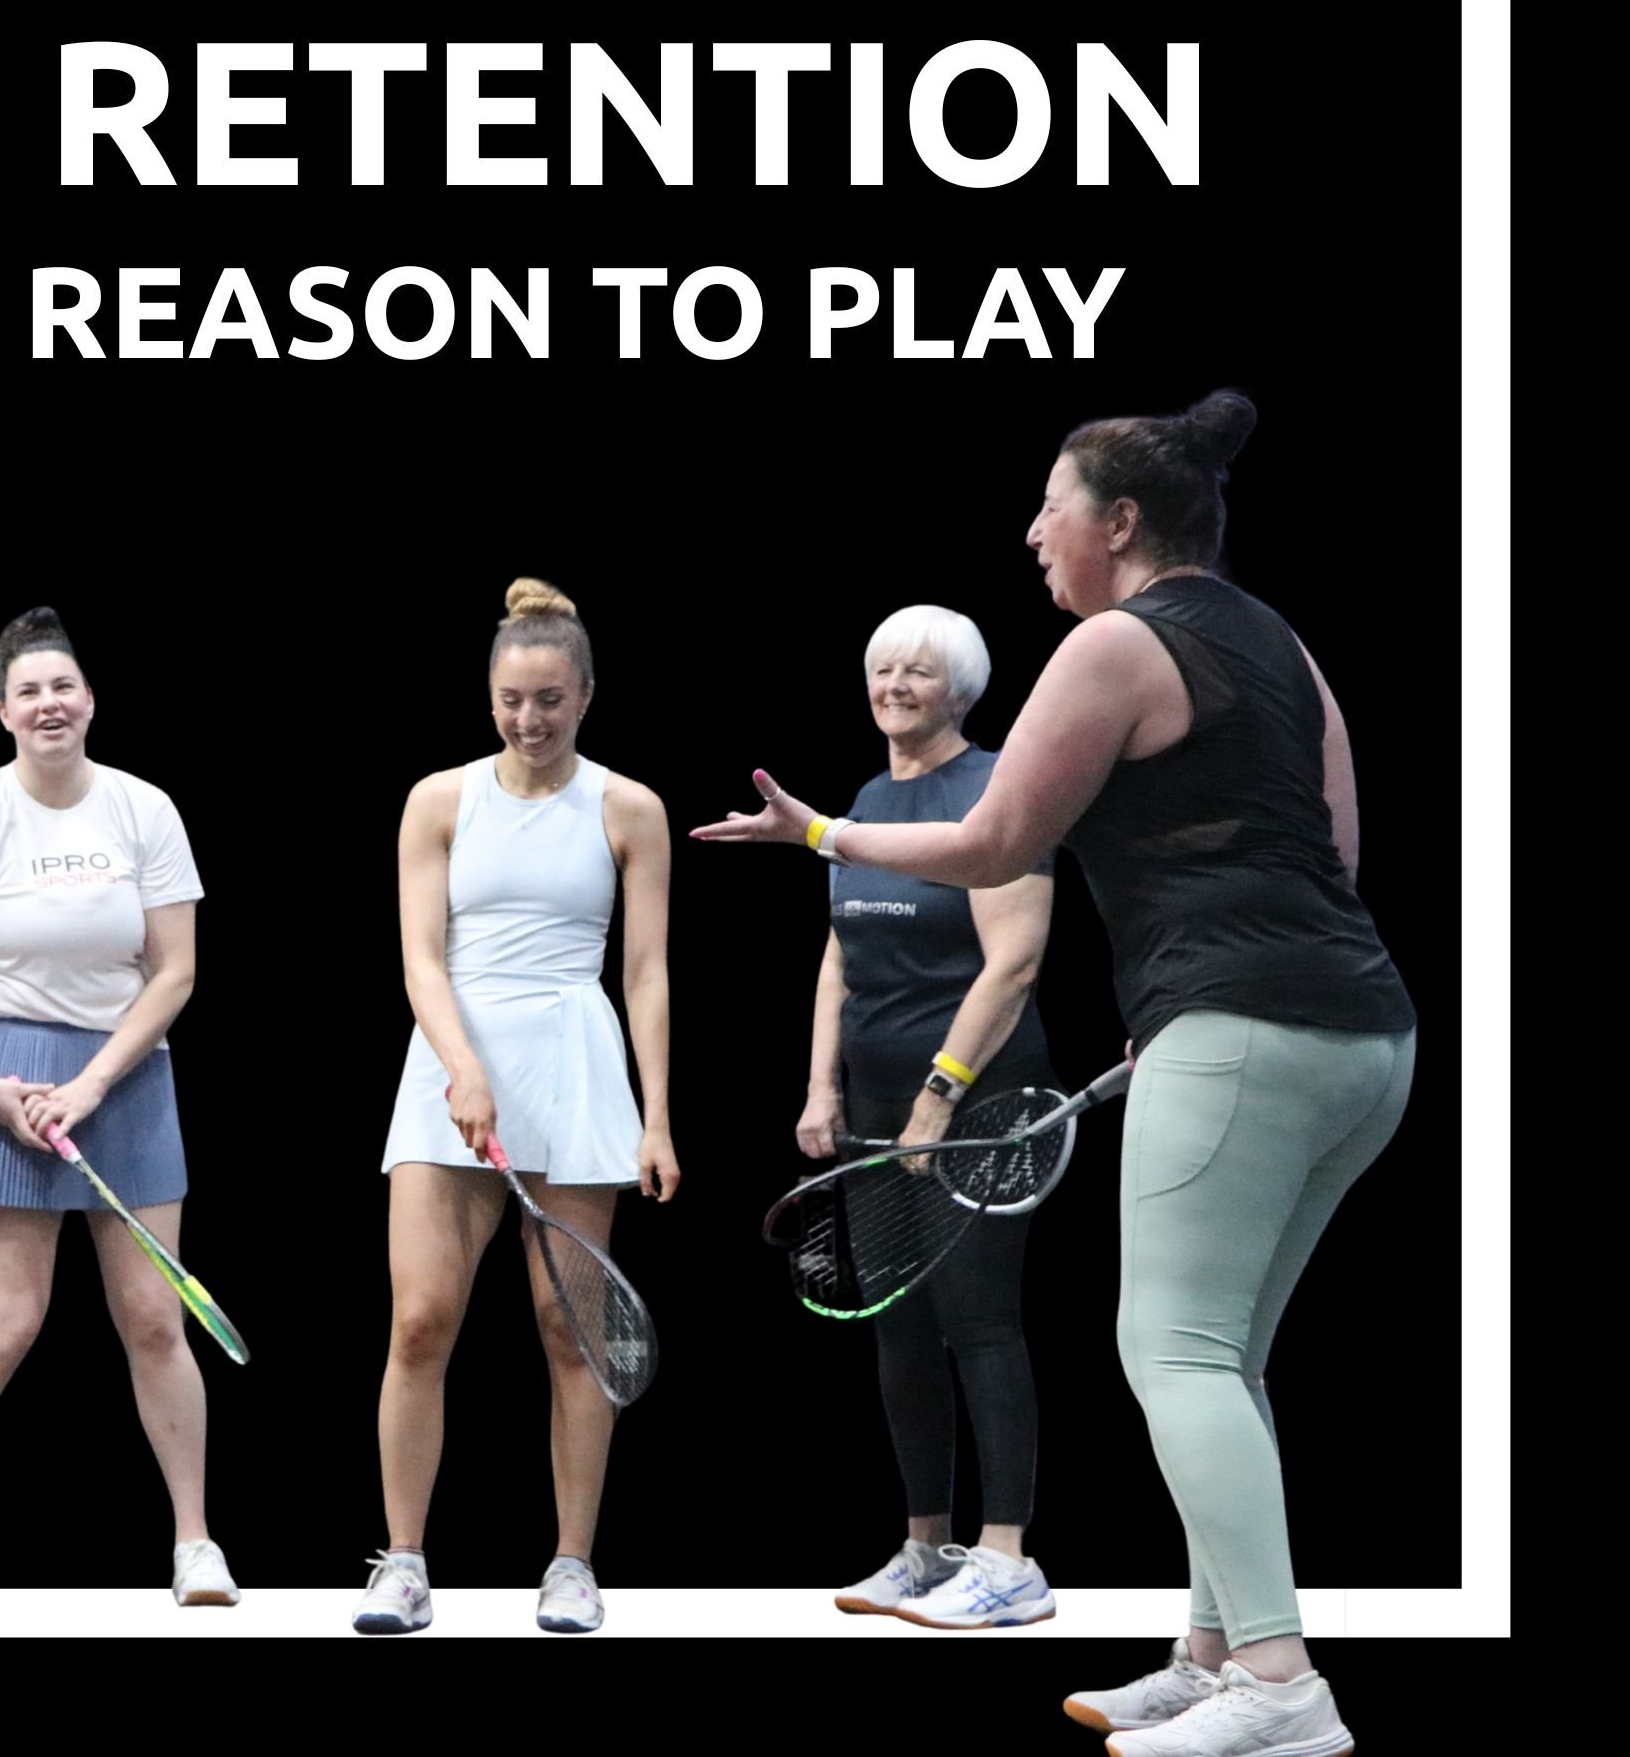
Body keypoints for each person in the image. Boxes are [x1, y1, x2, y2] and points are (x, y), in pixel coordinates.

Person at [694, 394, 1413, 1757]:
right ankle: (1211, 1655)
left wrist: (820, 834)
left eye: (1051, 506)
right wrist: (1199, 1002)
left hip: (1244, 1030)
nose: (1034, 533)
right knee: (1228, 1358)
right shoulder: (1285, 644)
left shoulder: (1115, 644)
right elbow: (1334, 848)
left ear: (1121, 524)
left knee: (1175, 1351)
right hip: (1364, 1036)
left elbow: (995, 842)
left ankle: (1278, 1682)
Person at [0, 607, 238, 1611]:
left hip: (121, 1072)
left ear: (88, 700)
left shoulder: (142, 809)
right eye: (28, 690)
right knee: (7, 1319)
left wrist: (96, 1081)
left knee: (155, 1317)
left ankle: (195, 1544)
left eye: (62, 686)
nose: (48, 703)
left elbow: (175, 970)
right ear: (2, 710)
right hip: (4, 1078)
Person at [356, 578, 679, 1637]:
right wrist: (460, 1063)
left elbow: (643, 972)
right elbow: (417, 952)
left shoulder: (627, 806)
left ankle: (571, 1562)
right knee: (419, 1320)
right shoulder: (438, 799)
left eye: (548, 698)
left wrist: (657, 1114)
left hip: (575, 1064)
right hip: (450, 1063)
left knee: (569, 1327)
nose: (528, 719)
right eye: (509, 698)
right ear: (487, 693)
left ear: (585, 692)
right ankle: (402, 1559)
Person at [801, 605, 1061, 1630]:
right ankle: (923, 1547)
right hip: (872, 1105)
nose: (895, 683)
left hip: (976, 1097)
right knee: (897, 1325)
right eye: (881, 667)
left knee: (979, 1319)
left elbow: (1016, 958)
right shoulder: (868, 797)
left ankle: (1008, 1558)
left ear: (959, 686)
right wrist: (822, 1087)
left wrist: (936, 1096)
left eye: (918, 670)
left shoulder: (998, 786)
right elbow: (838, 949)